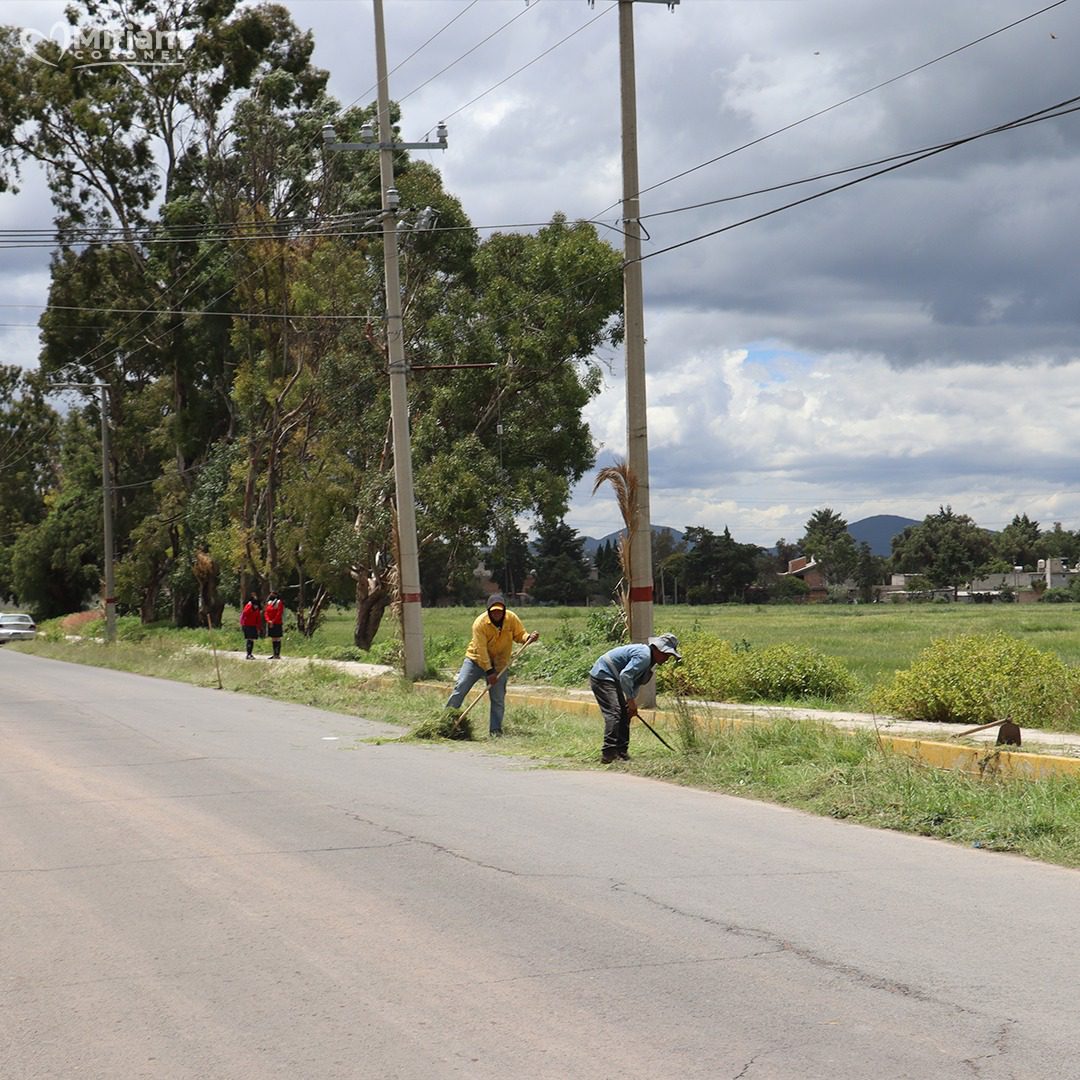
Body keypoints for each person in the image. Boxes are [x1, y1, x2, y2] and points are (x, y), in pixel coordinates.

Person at [445, 593, 539, 736]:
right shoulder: (480, 624)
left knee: (498, 697)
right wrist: (489, 672)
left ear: (504, 611)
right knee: (461, 686)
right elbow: (481, 650)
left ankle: (495, 730)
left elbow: (520, 634)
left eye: (499, 611)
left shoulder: (511, 618)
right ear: (489, 611)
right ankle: (446, 721)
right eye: (494, 611)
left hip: (500, 664)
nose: (497, 614)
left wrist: (528, 638)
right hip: (476, 661)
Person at [589, 633, 682, 764]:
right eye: (666, 654)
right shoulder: (644, 656)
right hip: (603, 675)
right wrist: (631, 701)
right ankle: (608, 754)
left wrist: (631, 704)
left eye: (669, 656)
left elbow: (634, 683)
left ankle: (621, 752)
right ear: (656, 649)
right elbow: (625, 676)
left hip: (613, 678)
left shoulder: (649, 662)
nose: (667, 658)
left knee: (624, 713)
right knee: (615, 713)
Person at [240, 592, 263, 659]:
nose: (256, 606)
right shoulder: (248, 606)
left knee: (252, 639)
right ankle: (248, 654)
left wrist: (258, 627)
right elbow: (244, 613)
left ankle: (250, 653)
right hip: (247, 625)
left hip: (253, 625)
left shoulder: (257, 609)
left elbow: (258, 618)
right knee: (249, 639)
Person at [264, 590, 285, 659]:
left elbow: (279, 613)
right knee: (273, 638)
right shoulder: (269, 603)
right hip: (270, 623)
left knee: (277, 638)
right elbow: (266, 612)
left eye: (272, 594)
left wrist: (273, 621)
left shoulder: (279, 602)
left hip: (277, 623)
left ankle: (277, 654)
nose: (271, 595)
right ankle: (274, 654)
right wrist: (268, 621)